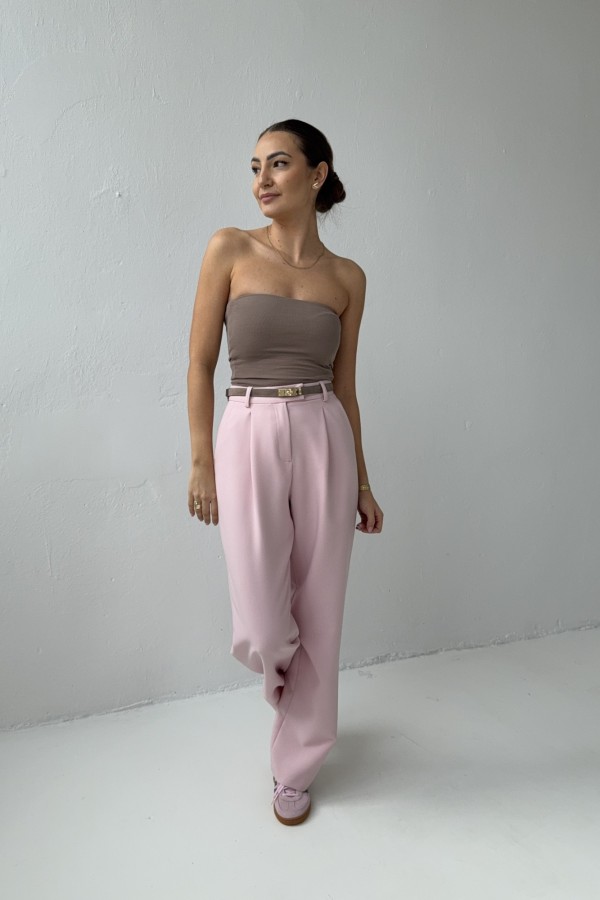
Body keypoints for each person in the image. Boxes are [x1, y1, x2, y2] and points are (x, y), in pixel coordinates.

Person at [186, 118, 383, 826]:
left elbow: (347, 387)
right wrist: (201, 460)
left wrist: (363, 481)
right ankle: (286, 687)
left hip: (324, 428)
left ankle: (296, 764)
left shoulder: (347, 277)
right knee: (266, 625)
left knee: (322, 609)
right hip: (248, 429)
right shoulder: (230, 249)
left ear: (317, 174)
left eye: (277, 164)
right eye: (255, 167)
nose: (261, 180)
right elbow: (199, 364)